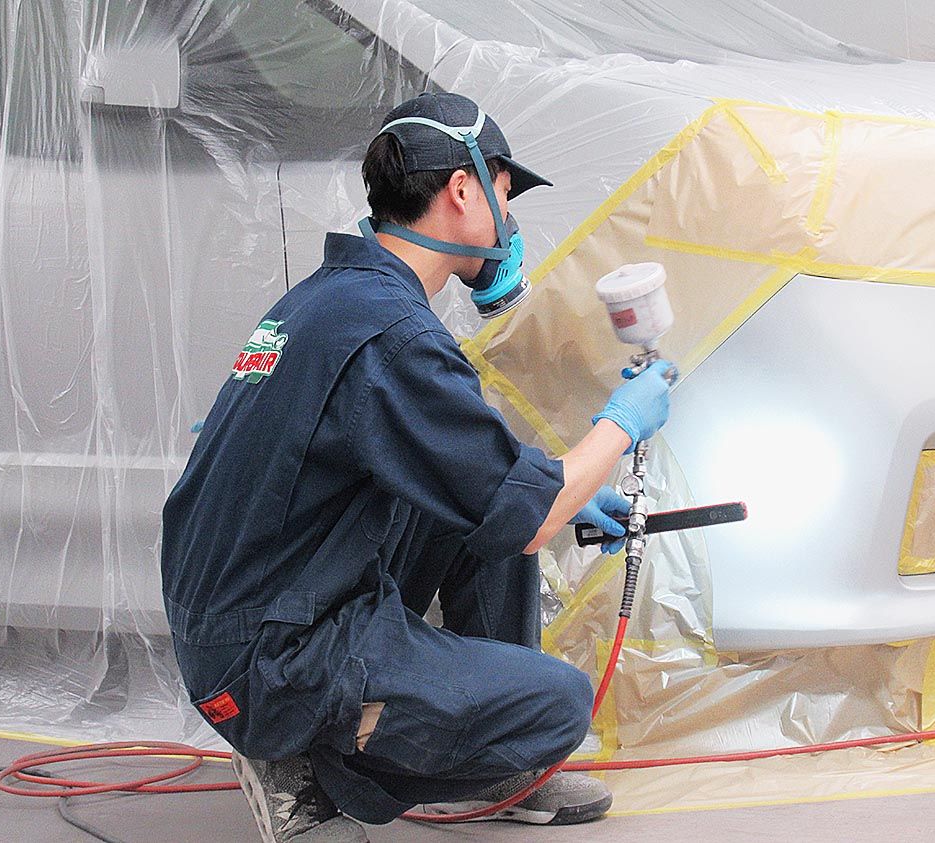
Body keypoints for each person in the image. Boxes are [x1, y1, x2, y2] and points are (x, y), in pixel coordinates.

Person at [161, 91, 675, 843]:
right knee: (556, 704)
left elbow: (477, 476)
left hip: (255, 612)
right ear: (463, 191)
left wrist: (559, 487)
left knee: (492, 502)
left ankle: (496, 773)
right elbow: (531, 517)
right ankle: (301, 766)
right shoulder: (392, 333)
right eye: (505, 196)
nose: (509, 223)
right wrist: (622, 424)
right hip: (269, 659)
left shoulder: (332, 299)